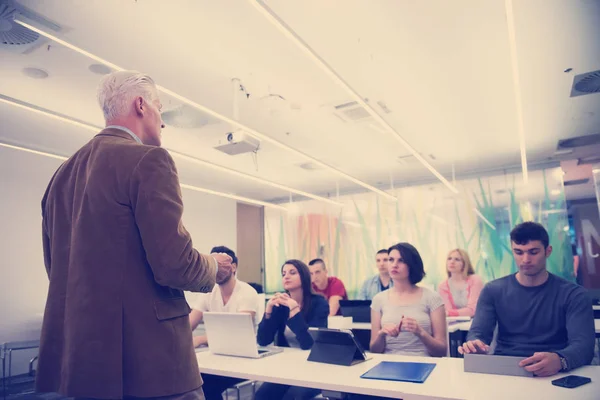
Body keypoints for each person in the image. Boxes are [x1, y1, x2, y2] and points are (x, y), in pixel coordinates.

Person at [36, 70, 233, 400]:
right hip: (152, 363)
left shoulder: (61, 175)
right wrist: (214, 266)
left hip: (84, 363)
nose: (163, 120)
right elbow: (174, 264)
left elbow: (56, 269)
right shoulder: (149, 160)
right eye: (160, 107)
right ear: (141, 105)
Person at [460, 222, 595, 377]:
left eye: (533, 252)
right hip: (506, 368)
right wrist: (475, 344)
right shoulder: (493, 290)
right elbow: (478, 333)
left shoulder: (573, 294)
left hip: (553, 371)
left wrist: (561, 360)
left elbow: (584, 346)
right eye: (518, 252)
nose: (525, 259)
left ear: (548, 251)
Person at [188, 246, 259, 400]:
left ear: (233, 267)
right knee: (192, 381)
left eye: (221, 265)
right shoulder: (208, 292)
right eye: (214, 265)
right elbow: (189, 324)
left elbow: (238, 333)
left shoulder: (247, 292)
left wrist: (200, 339)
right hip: (218, 357)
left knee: (204, 385)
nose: (217, 270)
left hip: (244, 360)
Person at [255, 260, 329, 400]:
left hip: (313, 368)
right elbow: (263, 340)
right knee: (261, 396)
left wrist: (294, 310)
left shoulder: (320, 303)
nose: (286, 277)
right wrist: (268, 312)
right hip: (287, 367)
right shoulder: (281, 304)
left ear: (304, 276)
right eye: (284, 274)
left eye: (292, 273)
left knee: (292, 397)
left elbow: (309, 344)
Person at [370, 243, 447, 357]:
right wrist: (381, 334)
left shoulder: (432, 298)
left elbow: (441, 351)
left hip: (424, 362)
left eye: (401, 260)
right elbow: (374, 350)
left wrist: (420, 332)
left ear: (412, 265)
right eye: (391, 260)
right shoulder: (378, 299)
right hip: (388, 364)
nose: (394, 265)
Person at [437, 249, 484, 317]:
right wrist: (449, 313)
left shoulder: (475, 280)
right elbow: (448, 311)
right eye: (449, 259)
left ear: (464, 263)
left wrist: (449, 313)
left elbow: (473, 310)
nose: (452, 262)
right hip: (455, 324)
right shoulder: (442, 286)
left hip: (476, 322)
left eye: (457, 259)